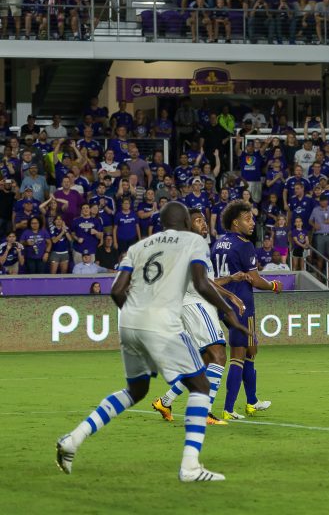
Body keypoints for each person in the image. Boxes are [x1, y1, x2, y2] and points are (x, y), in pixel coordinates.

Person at [55, 201, 249, 482]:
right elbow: (203, 283)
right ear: (184, 222)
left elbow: (117, 290)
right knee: (201, 382)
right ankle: (190, 467)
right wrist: (229, 313)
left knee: (136, 390)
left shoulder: (139, 248)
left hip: (131, 321)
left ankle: (73, 440)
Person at [152, 208, 247, 427]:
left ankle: (165, 401)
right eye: (197, 221)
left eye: (203, 220)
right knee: (219, 354)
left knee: (202, 362)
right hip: (196, 303)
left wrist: (230, 279)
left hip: (193, 304)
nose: (203, 224)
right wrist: (231, 295)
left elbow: (208, 279)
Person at [213, 201, 282, 421]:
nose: (252, 223)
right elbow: (254, 279)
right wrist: (273, 286)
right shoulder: (244, 245)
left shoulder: (218, 242)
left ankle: (252, 402)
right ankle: (228, 408)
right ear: (235, 222)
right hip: (241, 304)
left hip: (222, 302)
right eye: (247, 218)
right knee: (239, 355)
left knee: (252, 350)